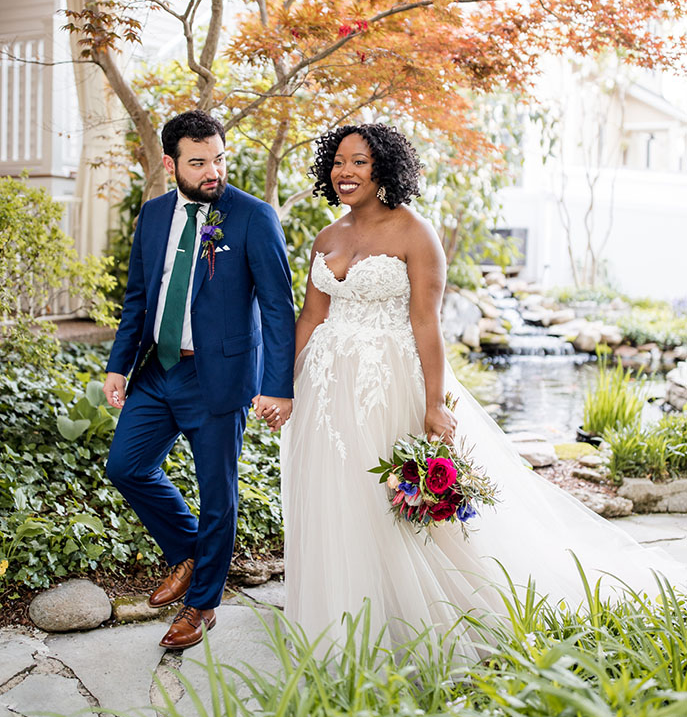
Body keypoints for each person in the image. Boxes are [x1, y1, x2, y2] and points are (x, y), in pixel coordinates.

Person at [281, 123, 684, 657]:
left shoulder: (414, 233)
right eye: (337, 162)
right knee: (336, 494)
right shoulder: (326, 238)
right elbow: (310, 316)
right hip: (326, 388)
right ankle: (342, 617)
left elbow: (427, 323)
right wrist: (282, 386)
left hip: (387, 385)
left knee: (386, 500)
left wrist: (432, 404)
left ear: (383, 170)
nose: (345, 172)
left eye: (359, 162)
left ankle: (408, 618)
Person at [104, 110, 295, 650]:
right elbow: (139, 297)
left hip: (220, 374)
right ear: (170, 163)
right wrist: (119, 363)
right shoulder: (154, 214)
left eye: (219, 158)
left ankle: (203, 603)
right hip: (157, 369)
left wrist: (279, 385)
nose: (212, 171)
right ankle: (193, 551)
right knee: (126, 466)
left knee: (218, 493)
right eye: (198, 162)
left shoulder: (253, 218)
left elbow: (280, 309)